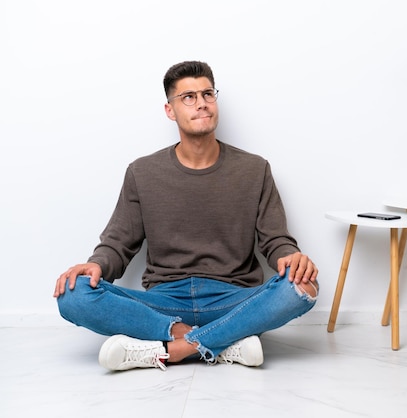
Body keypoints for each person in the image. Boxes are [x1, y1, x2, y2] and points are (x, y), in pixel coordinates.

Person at [54, 61, 319, 371]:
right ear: (170, 110)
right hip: (164, 302)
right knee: (72, 294)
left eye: (207, 93)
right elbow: (118, 243)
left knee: (304, 286)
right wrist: (96, 265)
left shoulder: (254, 169)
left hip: (232, 300)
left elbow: (276, 240)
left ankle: (175, 350)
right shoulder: (142, 172)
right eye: (188, 97)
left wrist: (292, 257)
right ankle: (219, 342)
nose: (201, 103)